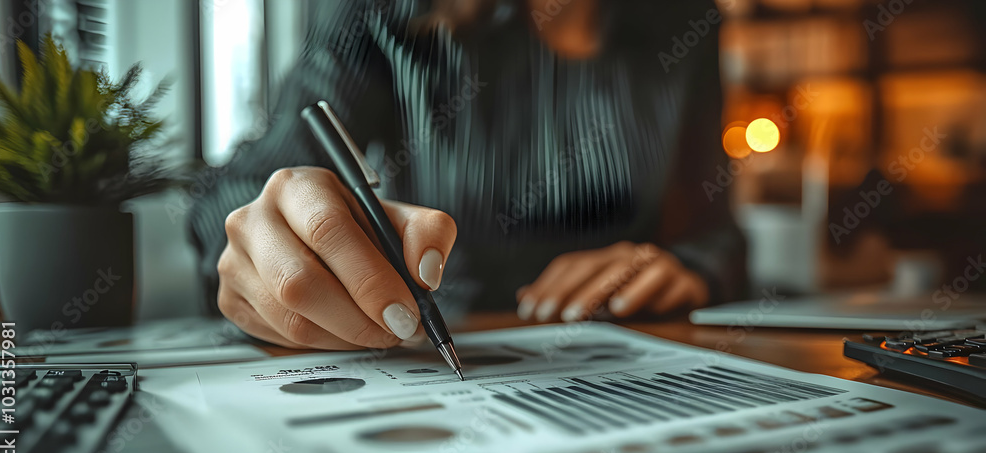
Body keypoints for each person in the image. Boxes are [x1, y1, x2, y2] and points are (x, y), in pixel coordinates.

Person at [188, 0, 746, 350]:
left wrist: (686, 267)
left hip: (632, 351)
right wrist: (269, 246)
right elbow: (240, 192)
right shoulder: (380, 14)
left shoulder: (687, 19)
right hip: (421, 345)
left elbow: (716, 230)